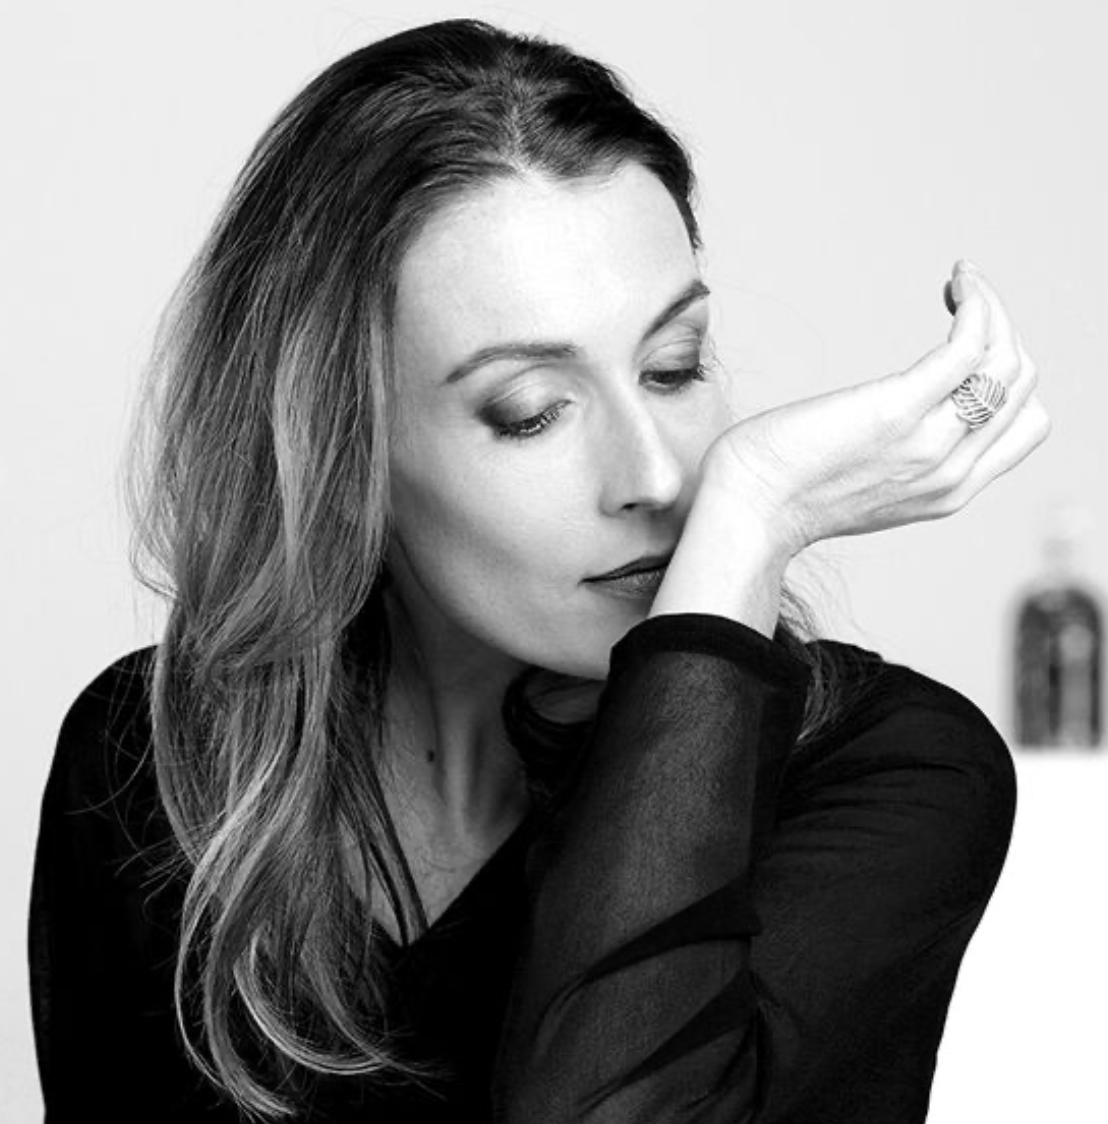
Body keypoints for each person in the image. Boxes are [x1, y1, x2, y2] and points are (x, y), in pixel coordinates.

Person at [27, 17, 1050, 1124]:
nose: (658, 476)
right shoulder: (159, 766)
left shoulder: (890, 768)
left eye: (674, 366)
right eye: (529, 412)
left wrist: (755, 515)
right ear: (339, 449)